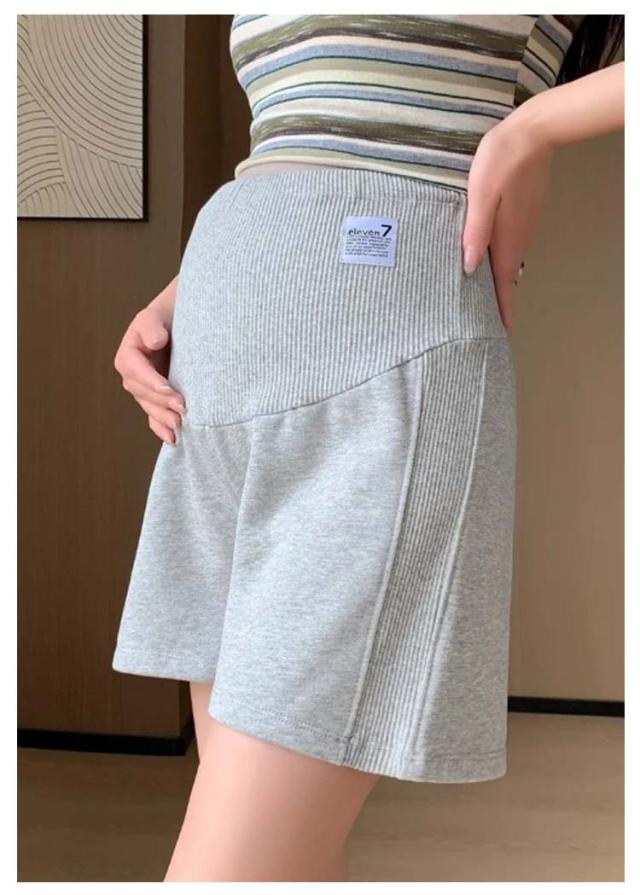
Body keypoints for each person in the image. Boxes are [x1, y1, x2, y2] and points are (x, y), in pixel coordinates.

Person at [110, 15, 624, 882]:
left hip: (386, 354)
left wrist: (532, 126)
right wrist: (178, 296)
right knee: (285, 857)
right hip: (214, 374)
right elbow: (305, 128)